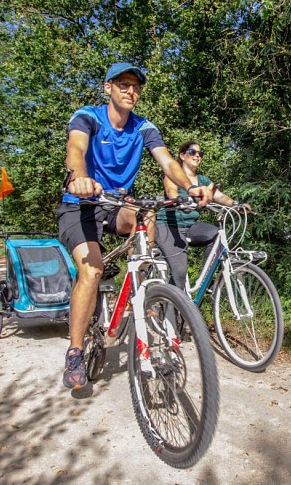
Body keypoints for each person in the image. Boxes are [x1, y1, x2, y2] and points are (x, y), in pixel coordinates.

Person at [56, 63, 212, 390]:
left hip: (116, 205)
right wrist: (79, 178)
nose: (131, 91)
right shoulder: (88, 117)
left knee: (147, 214)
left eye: (136, 87)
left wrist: (190, 187)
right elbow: (76, 149)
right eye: (123, 85)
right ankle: (75, 351)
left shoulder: (143, 127)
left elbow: (167, 161)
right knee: (91, 271)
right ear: (108, 88)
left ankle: (139, 290)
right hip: (80, 204)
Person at [155, 141, 249, 291]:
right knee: (179, 273)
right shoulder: (173, 175)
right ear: (182, 156)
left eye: (200, 153)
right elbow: (171, 190)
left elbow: (219, 196)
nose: (197, 155)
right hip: (168, 226)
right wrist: (178, 200)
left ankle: (207, 281)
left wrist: (236, 205)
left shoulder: (203, 180)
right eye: (192, 152)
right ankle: (170, 305)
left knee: (217, 235)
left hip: (190, 226)